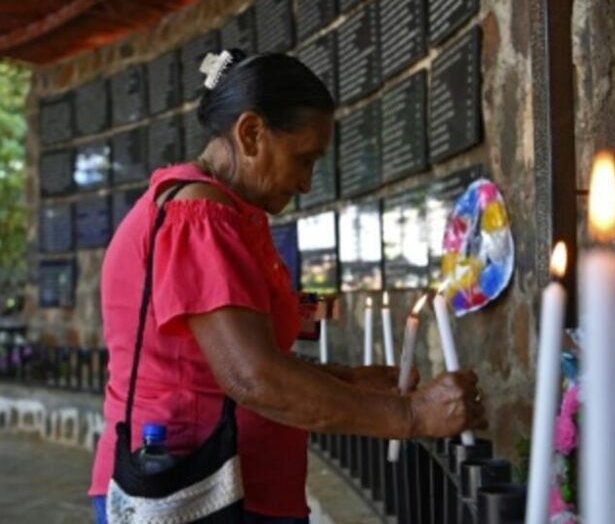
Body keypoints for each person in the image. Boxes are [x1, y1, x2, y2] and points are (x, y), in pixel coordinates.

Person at [88, 50, 487, 523]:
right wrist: (412, 418)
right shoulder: (199, 218)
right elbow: (252, 378)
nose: (305, 182)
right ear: (251, 133)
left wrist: (346, 379)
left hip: (229, 488)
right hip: (199, 491)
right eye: (303, 159)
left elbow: (243, 356)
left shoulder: (214, 211)